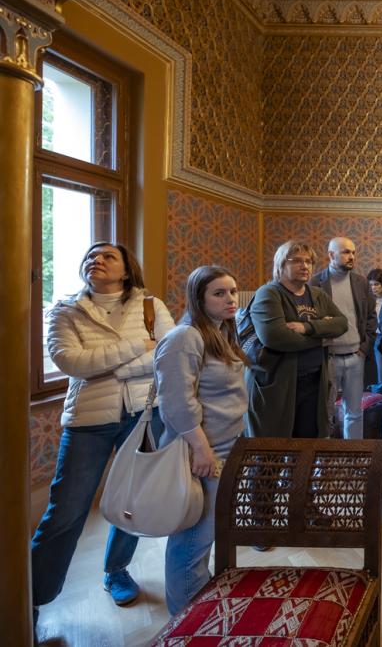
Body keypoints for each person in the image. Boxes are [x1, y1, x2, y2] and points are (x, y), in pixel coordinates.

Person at [32, 242, 174, 611]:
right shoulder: (65, 310)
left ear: (127, 270)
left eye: (108, 256)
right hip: (88, 419)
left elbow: (167, 354)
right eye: (90, 256)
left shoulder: (150, 306)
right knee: (66, 510)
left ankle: (116, 571)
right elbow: (72, 362)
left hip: (144, 413)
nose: (96, 259)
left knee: (132, 501)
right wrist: (138, 346)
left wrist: (113, 367)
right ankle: (32, 597)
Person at [155, 265, 249, 614]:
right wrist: (201, 449)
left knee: (205, 535)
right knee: (192, 539)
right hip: (202, 454)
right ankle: (185, 621)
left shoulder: (220, 332)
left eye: (233, 291)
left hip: (225, 447)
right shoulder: (185, 337)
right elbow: (177, 403)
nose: (230, 299)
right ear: (199, 298)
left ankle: (197, 608)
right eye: (219, 293)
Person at [245, 241, 348, 439]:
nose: (305, 266)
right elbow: (275, 337)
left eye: (309, 261)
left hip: (314, 383)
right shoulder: (269, 293)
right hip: (278, 383)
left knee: (307, 444)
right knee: (273, 446)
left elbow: (341, 324)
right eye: (297, 261)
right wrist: (321, 339)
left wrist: (307, 327)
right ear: (281, 264)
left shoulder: (317, 294)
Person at [310, 237, 377, 439]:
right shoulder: (315, 283)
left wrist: (364, 348)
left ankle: (353, 453)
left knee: (354, 412)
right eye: (346, 252)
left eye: (353, 252)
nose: (352, 257)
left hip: (356, 356)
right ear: (331, 255)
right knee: (325, 411)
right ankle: (324, 454)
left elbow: (371, 317)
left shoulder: (361, 282)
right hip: (328, 357)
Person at [367, 268, 382, 392]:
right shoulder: (367, 301)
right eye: (370, 285)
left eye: (376, 284)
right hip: (373, 337)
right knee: (378, 371)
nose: (373, 288)